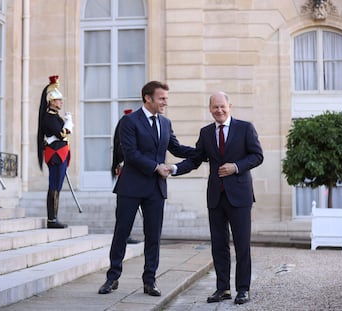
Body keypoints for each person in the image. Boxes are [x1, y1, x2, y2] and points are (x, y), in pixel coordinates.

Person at [98, 80, 194, 296]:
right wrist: (155, 167)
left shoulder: (166, 123)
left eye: (166, 99)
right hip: (131, 186)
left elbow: (176, 148)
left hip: (155, 189)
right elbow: (131, 154)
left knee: (153, 236)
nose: (165, 103)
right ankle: (112, 278)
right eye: (161, 99)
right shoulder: (129, 121)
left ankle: (150, 281)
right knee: (121, 232)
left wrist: (201, 151)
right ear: (147, 98)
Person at [171, 91, 263, 305]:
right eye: (215, 107)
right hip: (215, 197)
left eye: (222, 106)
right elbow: (195, 160)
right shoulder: (205, 133)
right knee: (218, 245)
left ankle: (243, 289)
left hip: (239, 197)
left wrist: (236, 167)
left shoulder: (245, 128)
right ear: (210, 109)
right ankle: (223, 288)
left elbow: (257, 156)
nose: (219, 111)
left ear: (229, 106)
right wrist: (174, 168)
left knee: (242, 245)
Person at [37, 75, 73, 228]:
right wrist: (69, 123)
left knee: (57, 186)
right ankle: (52, 219)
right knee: (54, 185)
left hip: (60, 153)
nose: (61, 102)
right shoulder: (49, 118)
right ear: (51, 101)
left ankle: (54, 217)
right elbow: (61, 133)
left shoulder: (55, 117)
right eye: (58, 100)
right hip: (56, 155)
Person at [111, 108, 140, 244]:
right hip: (125, 168)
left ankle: (125, 233)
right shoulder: (125, 128)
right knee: (124, 207)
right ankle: (124, 234)